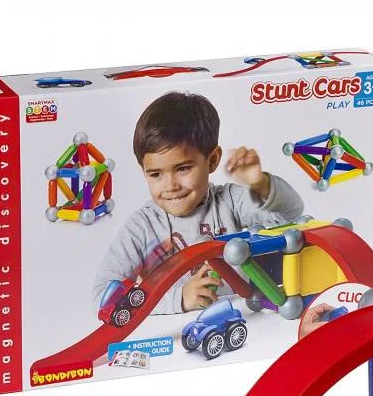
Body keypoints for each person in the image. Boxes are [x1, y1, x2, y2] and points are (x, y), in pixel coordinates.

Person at [93, 91, 304, 313]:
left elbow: (290, 212)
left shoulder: (229, 201)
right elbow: (103, 295)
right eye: (156, 174)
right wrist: (178, 299)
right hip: (173, 332)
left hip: (242, 320)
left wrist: (261, 183)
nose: (170, 185)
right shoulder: (142, 226)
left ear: (212, 160)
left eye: (183, 168)